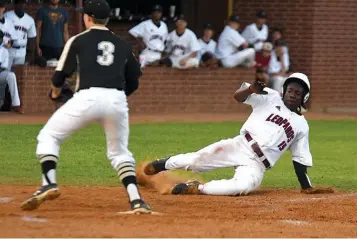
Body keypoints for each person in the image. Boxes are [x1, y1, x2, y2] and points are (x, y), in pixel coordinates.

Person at [20, 0, 152, 214]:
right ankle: (137, 201)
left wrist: (55, 93)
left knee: (49, 136)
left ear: (88, 17)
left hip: (87, 97)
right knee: (119, 153)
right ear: (107, 19)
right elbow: (135, 80)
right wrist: (117, 95)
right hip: (117, 99)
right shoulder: (122, 44)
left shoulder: (78, 40)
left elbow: (59, 75)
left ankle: (48, 183)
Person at [143, 71, 334, 196]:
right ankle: (161, 164)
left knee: (241, 187)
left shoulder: (301, 125)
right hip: (239, 145)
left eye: (297, 93)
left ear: (304, 98)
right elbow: (238, 97)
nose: (293, 94)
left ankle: (196, 188)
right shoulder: (270, 97)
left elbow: (299, 158)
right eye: (290, 90)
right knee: (197, 160)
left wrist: (306, 186)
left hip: (258, 164)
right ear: (284, 90)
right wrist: (251, 89)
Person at [5, 0, 37, 69]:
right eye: (18, 3)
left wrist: (32, 54)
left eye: (23, 3)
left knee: (18, 74)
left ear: (25, 5)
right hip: (8, 50)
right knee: (6, 73)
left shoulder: (29, 20)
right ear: (14, 5)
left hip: (21, 51)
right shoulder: (7, 16)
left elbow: (32, 37)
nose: (21, 5)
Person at [0, 30, 23, 113]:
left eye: (0, 38)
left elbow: (4, 67)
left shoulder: (4, 50)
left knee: (11, 75)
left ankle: (16, 104)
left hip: (0, 73)